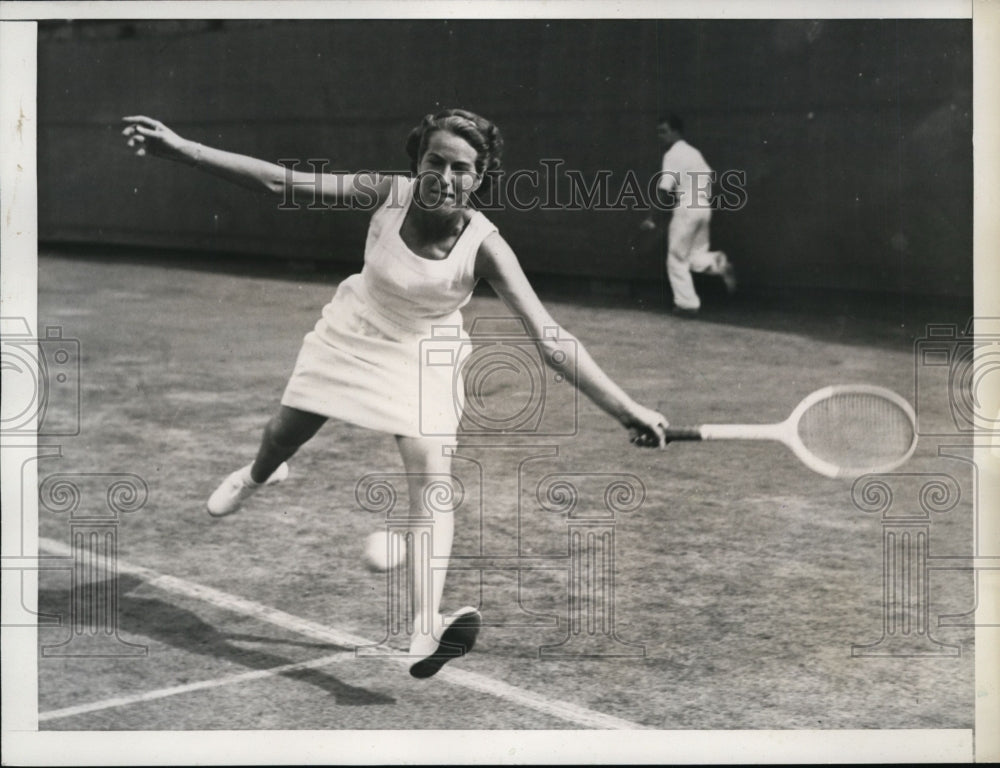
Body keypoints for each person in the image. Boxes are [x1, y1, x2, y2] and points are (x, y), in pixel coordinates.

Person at [122, 109, 670, 679]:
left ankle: (422, 629)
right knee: (283, 436)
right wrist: (185, 150)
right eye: (435, 161)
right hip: (355, 329)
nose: (446, 176)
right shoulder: (388, 195)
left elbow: (551, 340)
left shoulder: (486, 246)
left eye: (462, 168)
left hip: (424, 353)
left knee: (433, 483)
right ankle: (260, 475)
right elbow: (281, 182)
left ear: (479, 178)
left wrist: (626, 410)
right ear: (417, 163)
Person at [640, 113, 736, 316]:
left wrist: (651, 217)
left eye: (664, 131)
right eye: (658, 132)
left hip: (686, 209)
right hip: (703, 208)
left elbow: (665, 189)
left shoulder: (672, 154)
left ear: (676, 131)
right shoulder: (695, 153)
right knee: (694, 256)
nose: (660, 136)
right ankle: (717, 263)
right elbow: (710, 178)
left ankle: (687, 305)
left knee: (676, 258)